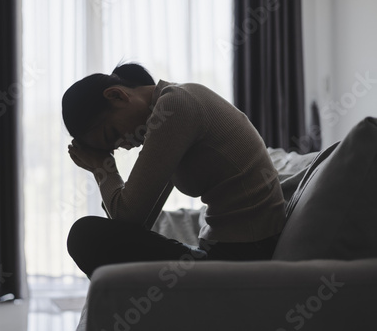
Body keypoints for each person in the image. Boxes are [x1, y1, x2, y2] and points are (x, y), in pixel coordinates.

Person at [62, 63, 286, 278]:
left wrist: (102, 168)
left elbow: (127, 216)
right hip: (233, 252)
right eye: (115, 146)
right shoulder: (172, 105)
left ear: (117, 95)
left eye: (113, 135)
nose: (125, 145)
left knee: (84, 236)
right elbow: (137, 223)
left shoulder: (174, 107)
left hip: (245, 257)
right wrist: (102, 168)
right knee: (94, 239)